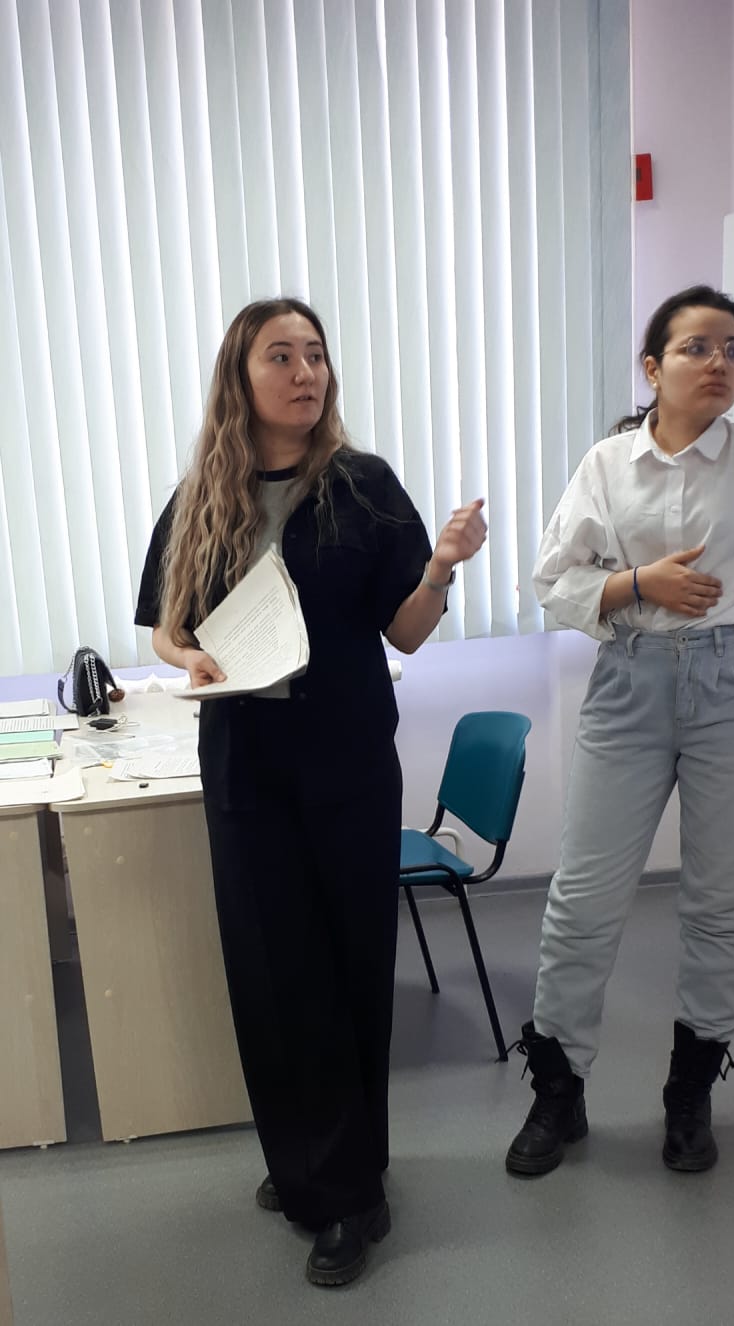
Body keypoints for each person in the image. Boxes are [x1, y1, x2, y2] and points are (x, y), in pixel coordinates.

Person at [135, 297, 486, 1287]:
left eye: (316, 355)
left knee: (346, 963)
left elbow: (405, 630)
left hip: (345, 762)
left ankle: (346, 1188)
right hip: (245, 762)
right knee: (269, 970)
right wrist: (187, 656)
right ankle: (310, 1164)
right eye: (280, 356)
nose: (305, 373)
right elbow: (164, 626)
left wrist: (441, 569)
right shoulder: (205, 494)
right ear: (240, 378)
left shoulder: (362, 487)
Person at [505, 285, 734, 1179]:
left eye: (731, 348)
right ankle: (558, 1091)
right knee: (582, 901)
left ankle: (689, 1094)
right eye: (696, 347)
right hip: (629, 684)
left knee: (723, 905)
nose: (718, 363)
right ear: (652, 367)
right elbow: (551, 581)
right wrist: (638, 585)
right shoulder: (607, 465)